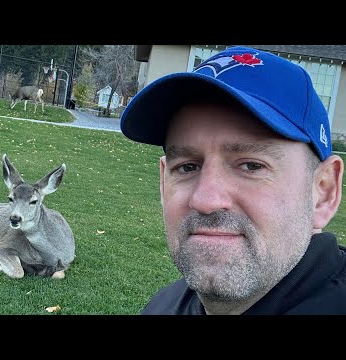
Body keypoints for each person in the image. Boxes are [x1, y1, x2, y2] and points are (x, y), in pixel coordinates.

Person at [120, 46, 346, 315]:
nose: (206, 200)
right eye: (187, 167)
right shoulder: (163, 306)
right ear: (162, 183)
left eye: (251, 166)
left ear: (323, 192)